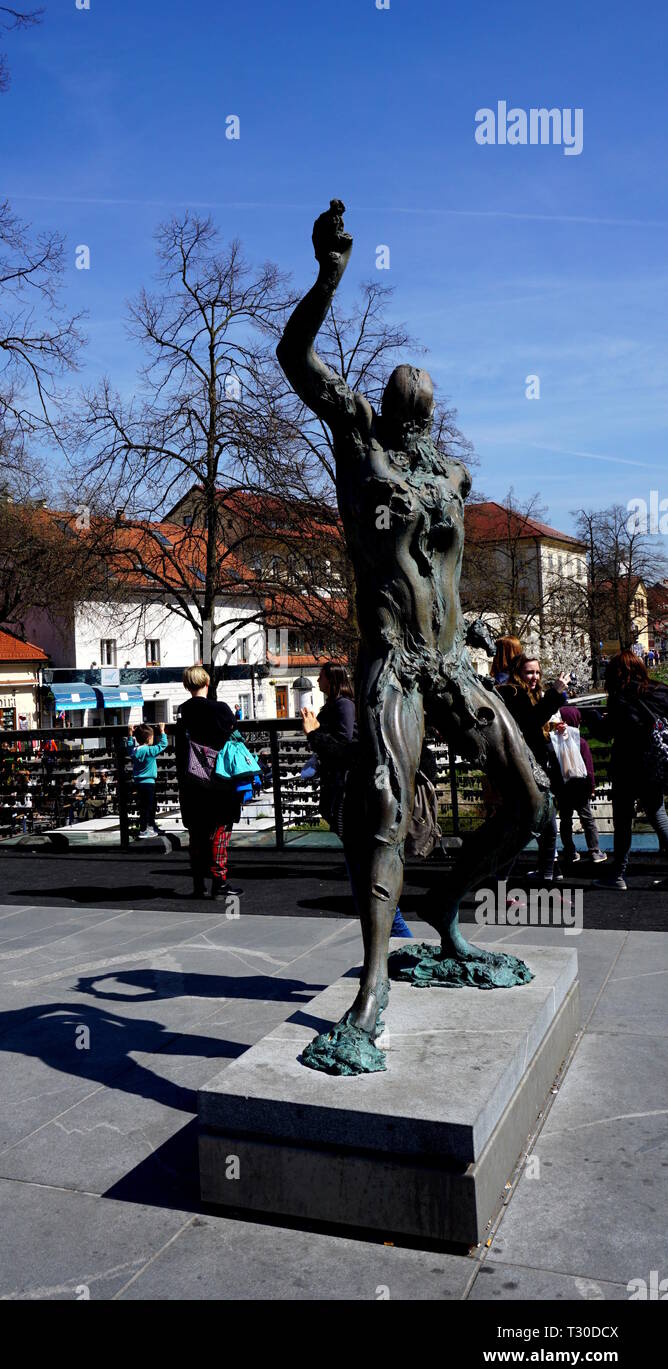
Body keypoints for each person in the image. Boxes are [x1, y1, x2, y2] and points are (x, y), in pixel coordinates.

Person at [277, 200, 552, 1064]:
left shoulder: (449, 471)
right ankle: (372, 987)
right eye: (412, 395)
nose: (417, 391)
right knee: (390, 809)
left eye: (427, 396)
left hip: (451, 663)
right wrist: (328, 277)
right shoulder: (359, 443)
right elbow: (295, 358)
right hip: (395, 660)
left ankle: (446, 909)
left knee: (533, 798)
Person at [301, 661, 412, 936]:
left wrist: (314, 734)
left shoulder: (348, 707)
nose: (317, 680)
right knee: (368, 889)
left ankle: (401, 949)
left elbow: (344, 751)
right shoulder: (357, 708)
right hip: (356, 806)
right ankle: (387, 955)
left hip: (357, 807)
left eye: (320, 676)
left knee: (371, 889)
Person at [582, 650, 668, 890]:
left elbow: (606, 733)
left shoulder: (620, 697)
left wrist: (592, 717)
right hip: (655, 767)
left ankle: (617, 875)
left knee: (622, 823)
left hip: (627, 769)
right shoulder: (660, 691)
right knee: (659, 816)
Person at [496, 654, 569, 883]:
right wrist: (554, 694)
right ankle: (502, 881)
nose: (535, 677)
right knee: (523, 830)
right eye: (530, 672)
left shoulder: (530, 694)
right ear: (519, 673)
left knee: (547, 828)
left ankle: (545, 877)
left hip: (537, 769)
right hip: (525, 770)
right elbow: (529, 723)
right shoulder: (514, 694)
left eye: (537, 672)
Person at [175, 665, 241, 899]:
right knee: (220, 830)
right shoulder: (220, 710)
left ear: (186, 686)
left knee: (197, 833)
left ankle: (198, 884)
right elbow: (233, 734)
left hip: (192, 783)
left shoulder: (182, 714)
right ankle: (219, 882)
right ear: (207, 683)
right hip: (218, 781)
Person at [553, 705, 606, 868]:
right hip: (580, 787)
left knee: (566, 820)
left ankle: (570, 851)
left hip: (563, 788)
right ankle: (595, 851)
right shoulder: (581, 743)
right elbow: (589, 769)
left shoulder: (556, 742)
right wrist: (592, 787)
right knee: (587, 819)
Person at [127, 722, 167, 838]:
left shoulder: (135, 751)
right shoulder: (150, 751)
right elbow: (163, 744)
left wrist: (130, 734)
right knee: (149, 807)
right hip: (149, 783)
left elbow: (129, 748)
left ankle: (149, 827)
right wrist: (162, 731)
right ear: (149, 738)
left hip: (139, 783)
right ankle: (144, 830)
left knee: (145, 806)